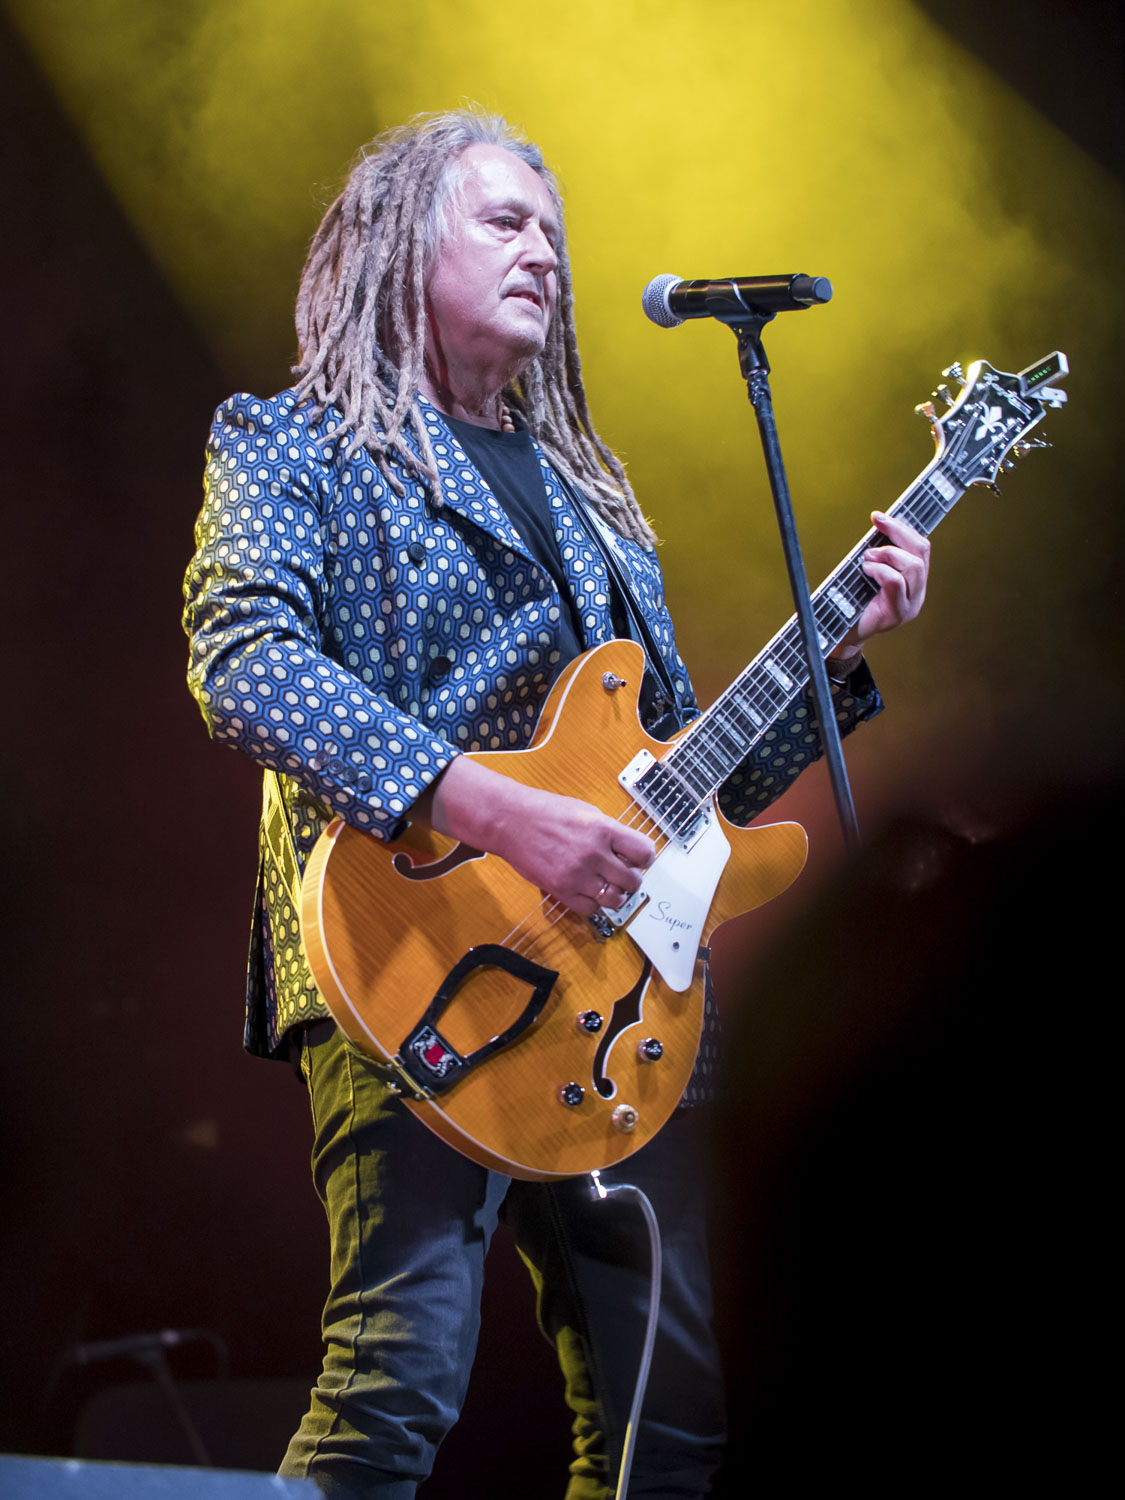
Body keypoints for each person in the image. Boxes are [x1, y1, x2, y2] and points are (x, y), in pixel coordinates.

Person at [183, 110, 929, 1498]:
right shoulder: (295, 446)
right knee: (394, 1384)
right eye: (505, 221)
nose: (544, 252)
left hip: (625, 1000)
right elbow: (244, 664)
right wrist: (496, 811)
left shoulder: (594, 493)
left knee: (669, 1421)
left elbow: (685, 789)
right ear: (401, 243)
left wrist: (835, 656)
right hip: (415, 959)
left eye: (555, 233)